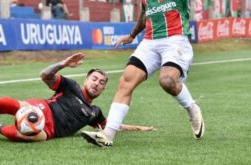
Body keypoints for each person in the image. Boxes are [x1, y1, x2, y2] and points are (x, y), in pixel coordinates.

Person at [81, 0, 205, 147]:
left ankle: (191, 108)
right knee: (126, 81)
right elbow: (144, 13)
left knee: (167, 81)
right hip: (150, 42)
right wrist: (132, 35)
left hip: (175, 39)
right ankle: (107, 135)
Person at [0, 52, 156, 142]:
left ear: (103, 89)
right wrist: (62, 64)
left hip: (52, 132)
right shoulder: (71, 86)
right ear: (86, 80)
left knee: (35, 137)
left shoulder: (94, 112)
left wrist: (140, 128)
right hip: (44, 110)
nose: (96, 83)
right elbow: (45, 75)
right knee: (26, 109)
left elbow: (113, 126)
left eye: (101, 83)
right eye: (94, 79)